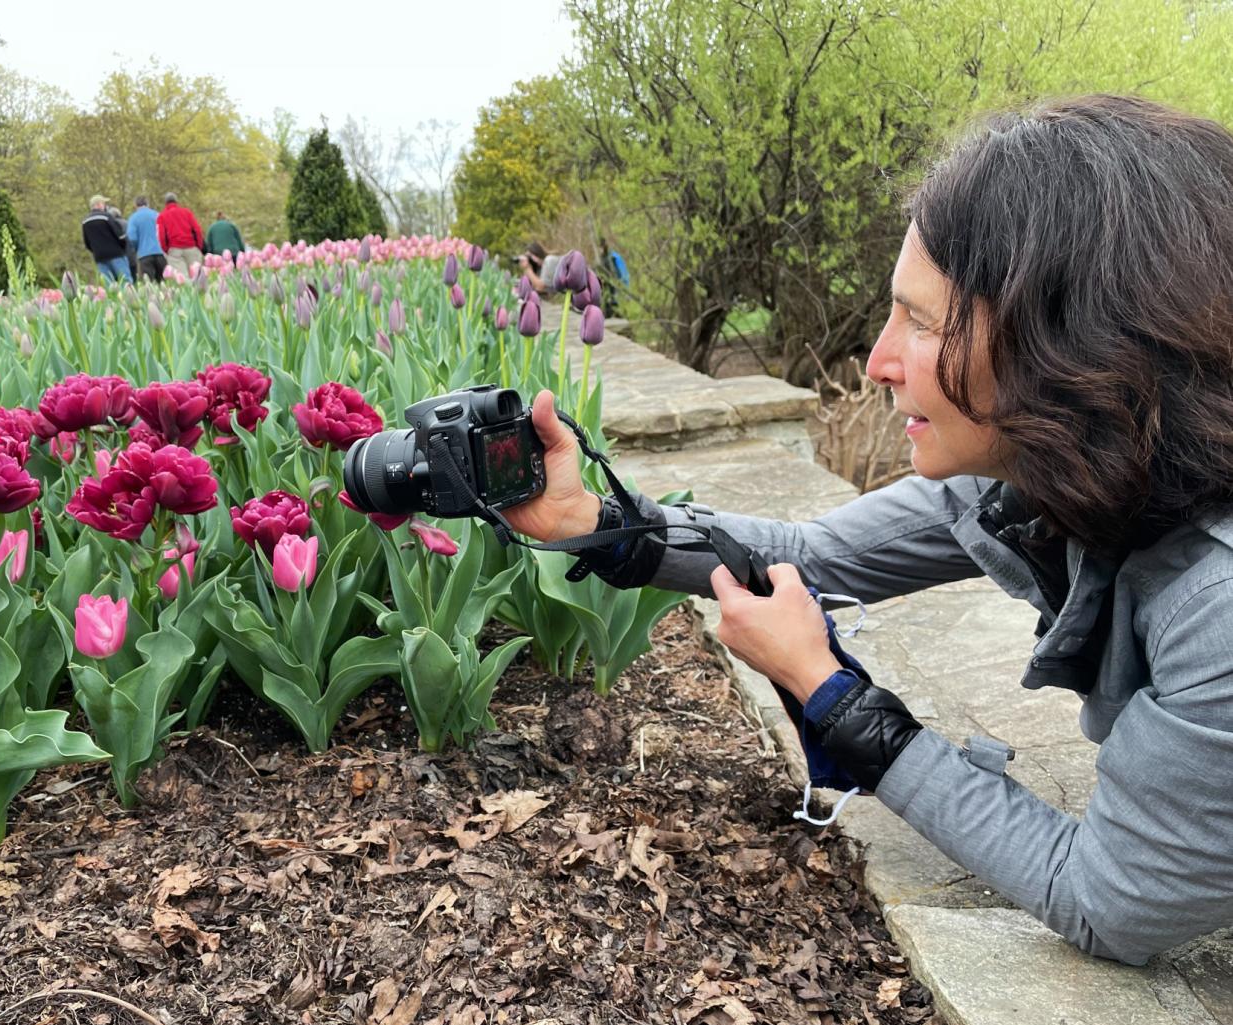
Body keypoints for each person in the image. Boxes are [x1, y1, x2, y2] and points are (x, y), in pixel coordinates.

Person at [501, 95, 1233, 967]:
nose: (879, 359)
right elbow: (817, 559)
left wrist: (836, 701)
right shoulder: (1057, 461)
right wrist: (602, 526)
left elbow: (1106, 901)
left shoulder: (1217, 604)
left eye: (921, 321)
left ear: (1072, 342)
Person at [81, 194, 130, 283]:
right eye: (103, 203)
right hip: (116, 254)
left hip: (99, 257)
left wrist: (96, 251)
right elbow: (120, 236)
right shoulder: (106, 217)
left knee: (109, 284)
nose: (105, 206)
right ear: (99, 205)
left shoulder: (85, 221)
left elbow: (87, 243)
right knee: (125, 281)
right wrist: (123, 248)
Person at [156, 192, 204, 278]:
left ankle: (188, 291)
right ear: (176, 201)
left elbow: (161, 236)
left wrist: (167, 250)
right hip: (191, 247)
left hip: (174, 250)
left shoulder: (162, 216)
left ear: (165, 203)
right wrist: (198, 246)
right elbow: (197, 230)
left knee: (182, 278)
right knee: (197, 277)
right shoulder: (187, 212)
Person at [127, 195, 167, 283]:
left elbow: (132, 238)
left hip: (144, 255)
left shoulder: (133, 218)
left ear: (135, 205)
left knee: (149, 285)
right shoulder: (157, 215)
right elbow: (165, 232)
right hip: (161, 253)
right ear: (148, 204)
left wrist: (136, 250)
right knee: (164, 284)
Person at [107, 205, 136, 281]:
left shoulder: (110, 226)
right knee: (133, 280)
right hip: (132, 256)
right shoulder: (128, 223)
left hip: (119, 258)